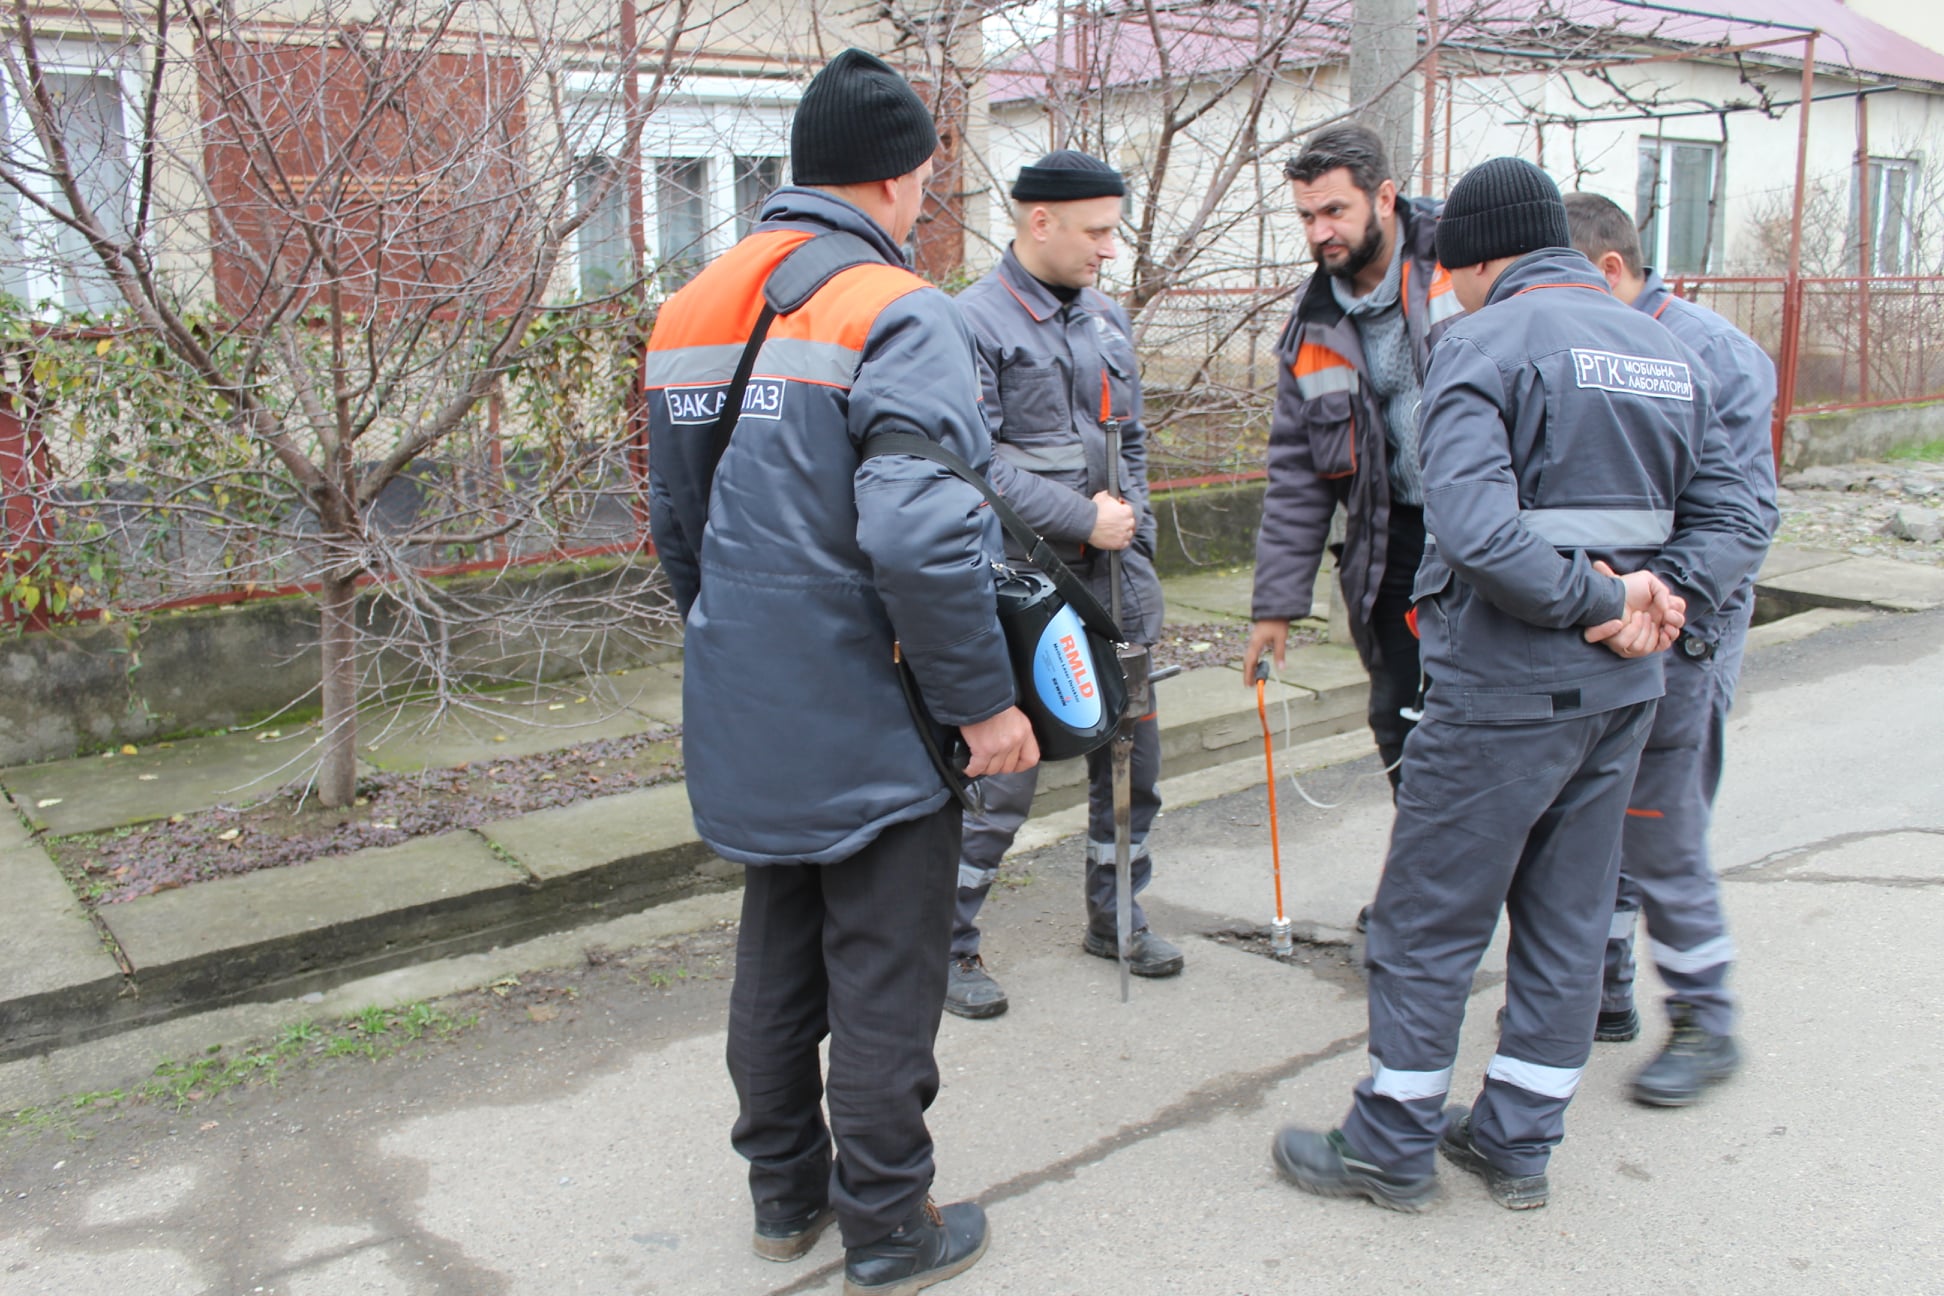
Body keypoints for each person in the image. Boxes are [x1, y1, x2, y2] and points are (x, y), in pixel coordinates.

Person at [1270, 158, 1769, 1213]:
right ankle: (1517, 1138)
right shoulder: (1667, 347)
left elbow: (1477, 531)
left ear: (1476, 258)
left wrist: (1603, 603)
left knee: (1426, 918)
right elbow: (1737, 516)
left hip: (1506, 685)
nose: (1441, 289)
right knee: (1569, 916)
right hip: (1627, 693)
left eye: (1447, 271)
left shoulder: (1479, 341)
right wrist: (1658, 598)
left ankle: (1391, 1143)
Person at [646, 48, 1035, 1294]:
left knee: (779, 943)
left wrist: (732, 638)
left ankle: (783, 1197)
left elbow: (676, 525)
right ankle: (887, 1225)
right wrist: (982, 706)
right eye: (926, 174)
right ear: (900, 174)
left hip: (747, 691)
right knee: (883, 965)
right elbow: (923, 534)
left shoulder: (695, 302)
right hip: (871, 706)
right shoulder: (894, 306)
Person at [942, 150, 1181, 1019]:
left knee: (1132, 766)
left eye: (1113, 231)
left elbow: (1136, 447)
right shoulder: (970, 324)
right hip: (1029, 595)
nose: (1108, 250)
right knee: (1004, 778)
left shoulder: (1107, 320)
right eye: (1097, 232)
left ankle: (1116, 919)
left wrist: (1135, 534)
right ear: (1038, 222)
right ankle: (949, 946)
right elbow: (971, 464)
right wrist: (1085, 521)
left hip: (1122, 587)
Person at [1563, 192, 1779, 1104]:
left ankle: (1706, 1019)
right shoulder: (1585, 346)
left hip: (1680, 635)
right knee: (1591, 817)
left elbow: (1743, 516)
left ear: (1610, 271)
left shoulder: (1714, 354)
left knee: (1660, 828)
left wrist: (1662, 607)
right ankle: (1605, 990)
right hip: (1606, 628)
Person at [1244, 123, 1464, 805]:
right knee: (1399, 719)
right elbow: (1297, 477)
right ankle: (1424, 890)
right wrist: (1276, 607)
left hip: (1485, 534)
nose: (1319, 233)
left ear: (1386, 198)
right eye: (1307, 216)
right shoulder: (1309, 329)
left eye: (1335, 211)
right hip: (1391, 543)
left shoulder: (1466, 262)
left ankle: (1492, 888)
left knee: (1478, 720)